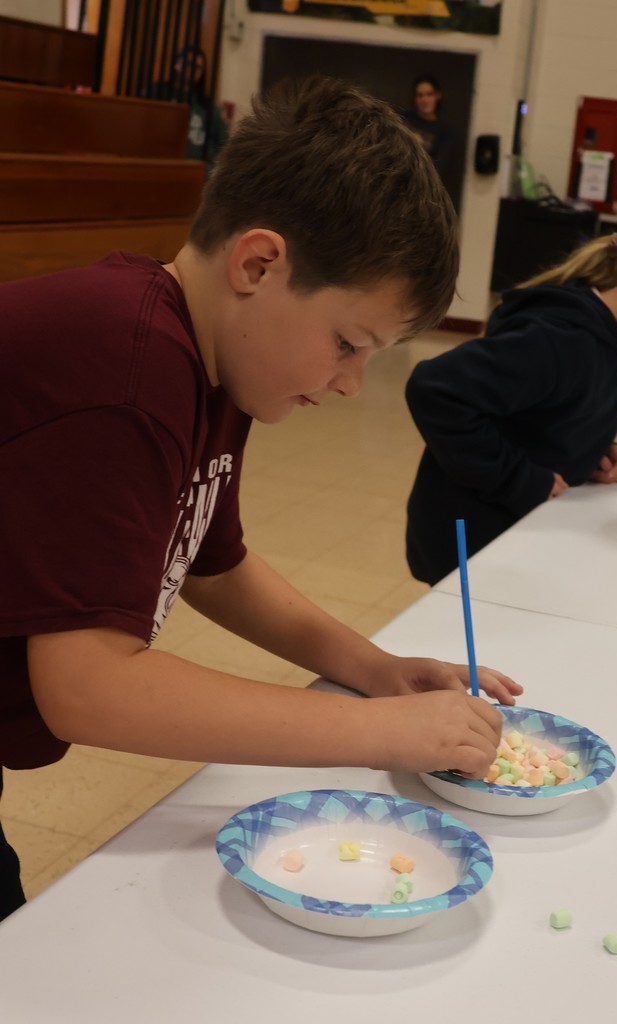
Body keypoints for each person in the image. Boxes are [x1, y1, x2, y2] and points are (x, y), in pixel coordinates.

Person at [0, 75, 521, 922]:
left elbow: (211, 560)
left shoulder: (212, 364)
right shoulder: (127, 374)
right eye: (348, 344)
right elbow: (91, 689)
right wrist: (381, 734)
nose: (352, 384)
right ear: (259, 263)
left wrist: (372, 670)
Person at [404, 206, 617, 585]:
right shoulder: (560, 342)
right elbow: (435, 390)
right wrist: (518, 480)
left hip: (527, 535)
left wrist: (590, 450)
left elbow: (549, 414)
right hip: (473, 543)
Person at [148, 46, 230, 174]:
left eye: (198, 68)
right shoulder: (157, 93)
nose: (193, 71)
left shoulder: (206, 106)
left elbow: (224, 141)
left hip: (199, 170)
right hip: (162, 163)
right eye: (189, 64)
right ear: (177, 64)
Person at [402, 74, 450, 178]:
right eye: (420, 95)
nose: (425, 100)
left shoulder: (443, 132)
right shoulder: (403, 119)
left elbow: (436, 169)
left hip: (420, 184)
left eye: (429, 94)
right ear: (415, 98)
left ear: (438, 96)